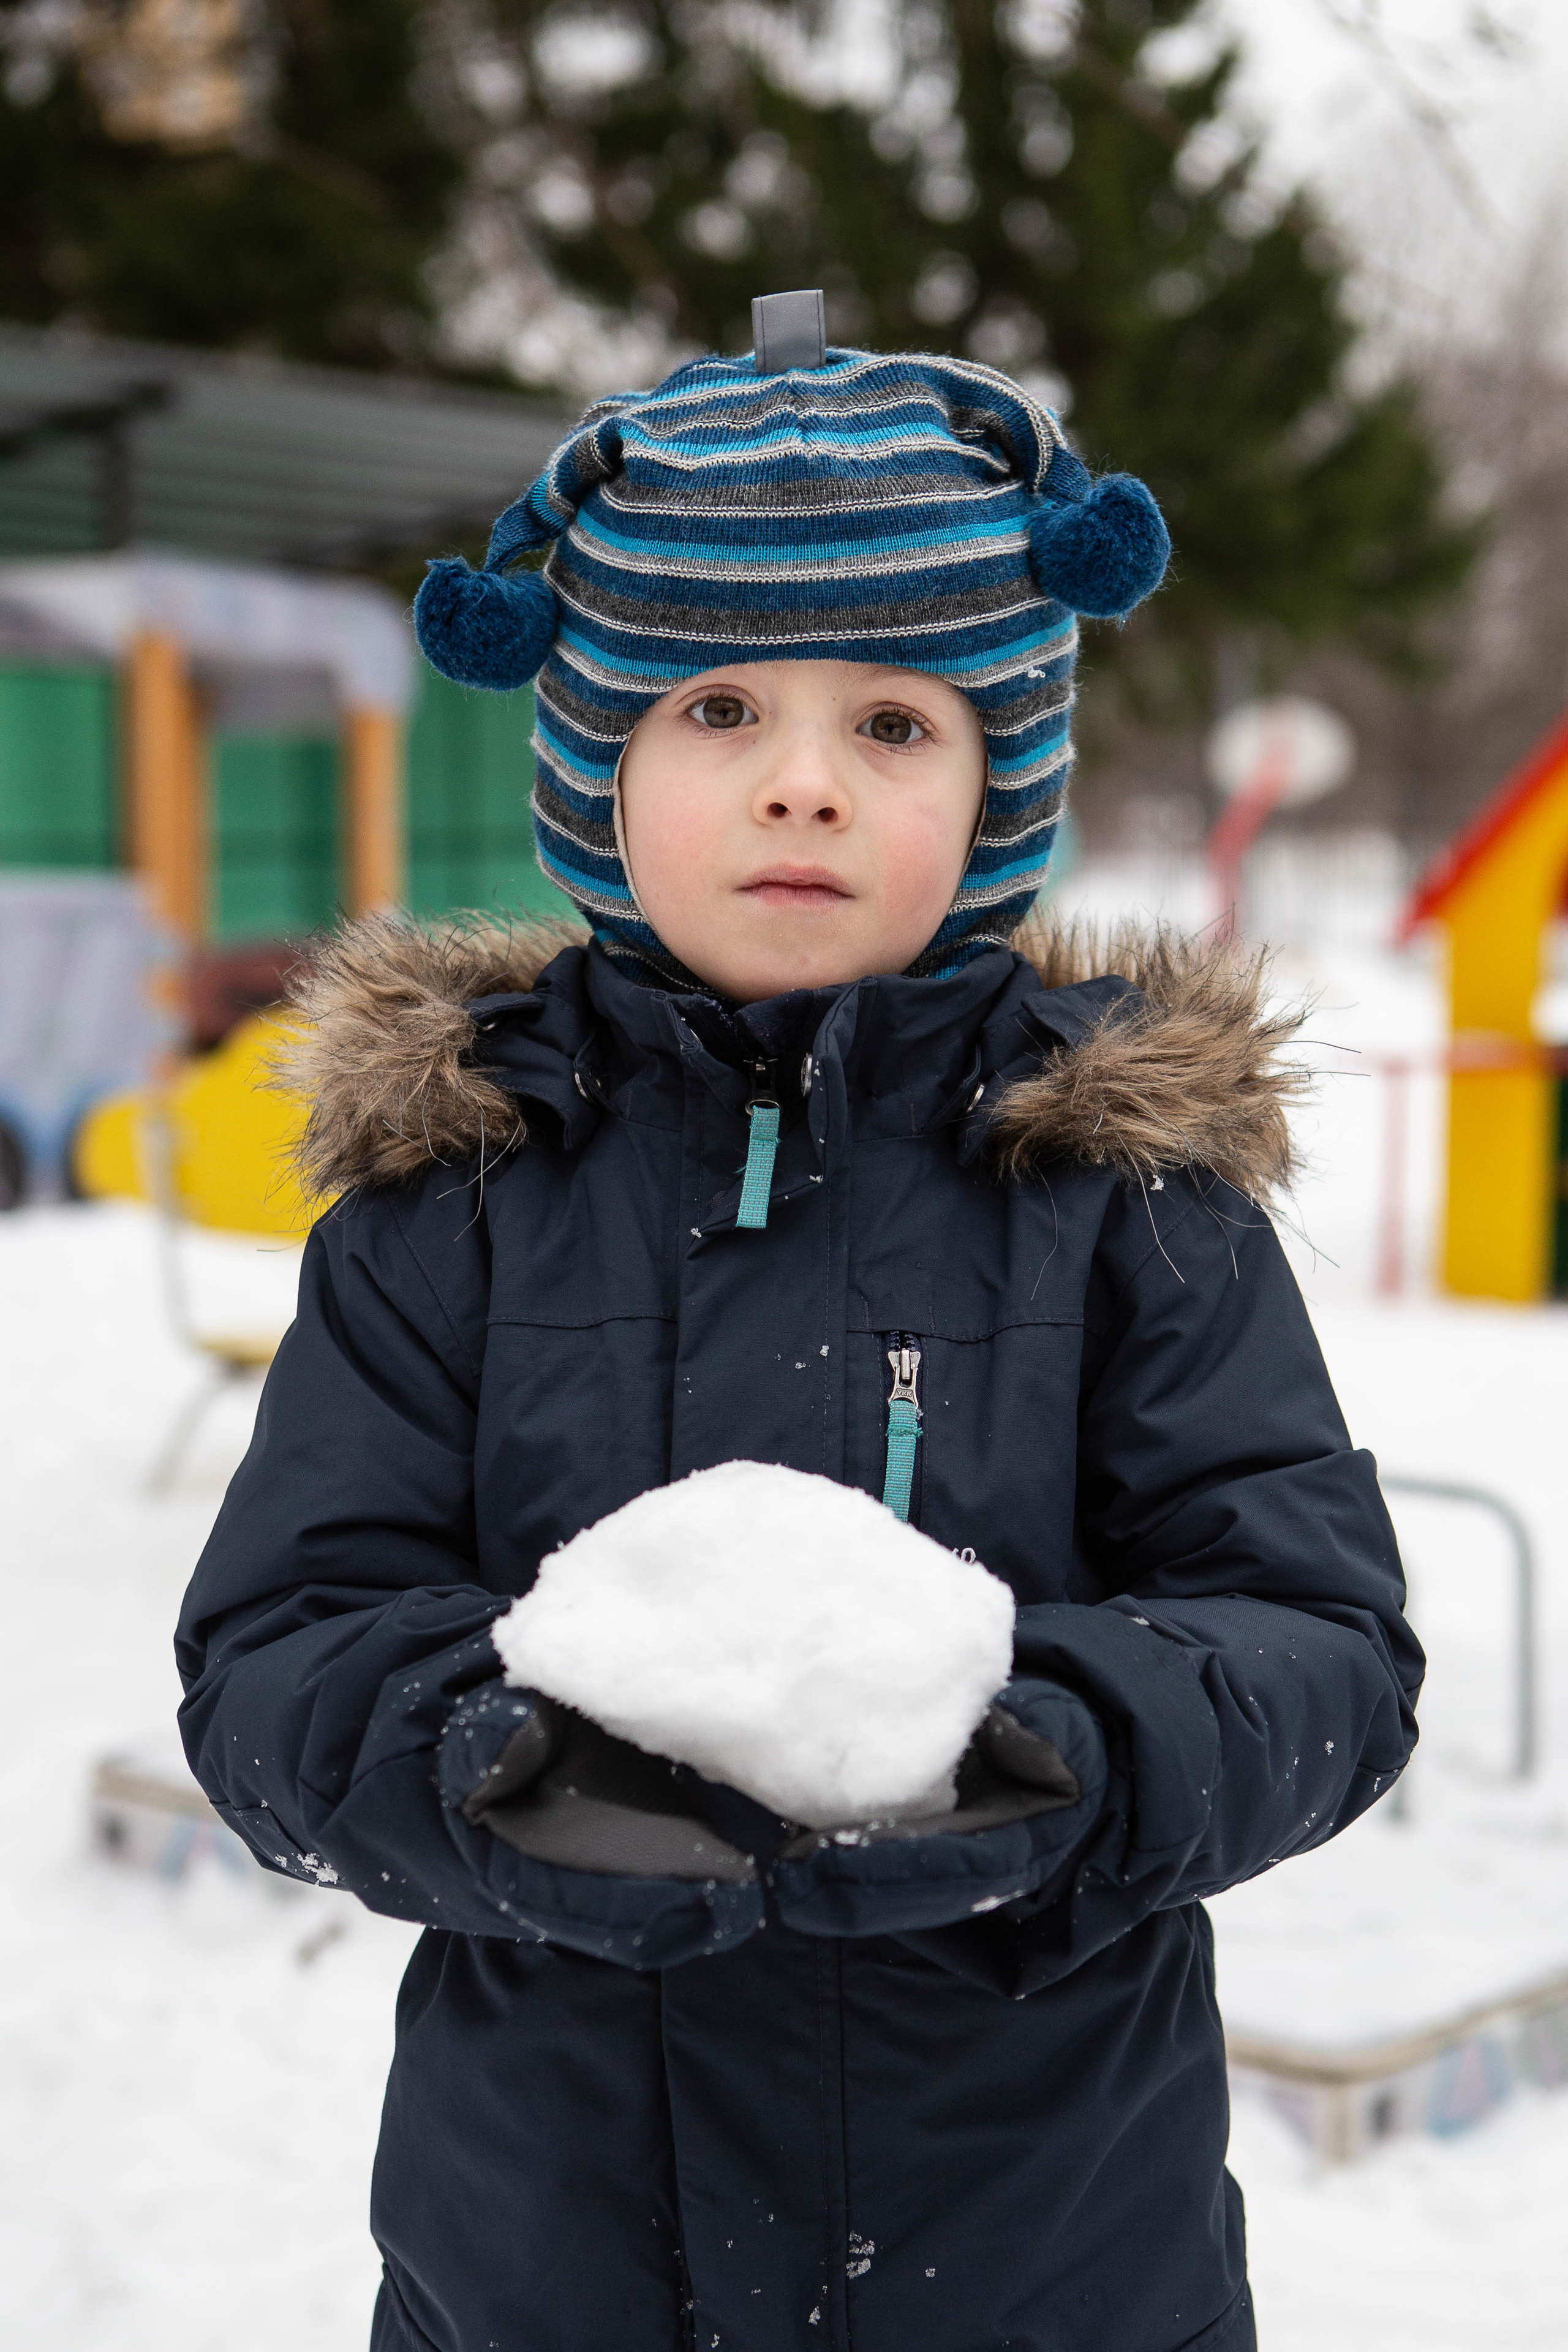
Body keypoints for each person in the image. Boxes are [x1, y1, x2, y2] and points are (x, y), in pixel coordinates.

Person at [175, 310, 1422, 2352]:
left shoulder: (1128, 1193)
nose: (807, 790)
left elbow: (1318, 1639)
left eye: (899, 726)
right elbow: (277, 1652)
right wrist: (475, 1770)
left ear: (1002, 779)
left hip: (1044, 2247)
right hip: (551, 2252)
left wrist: (1072, 1755)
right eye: (721, 710)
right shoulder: (451, 1196)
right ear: (598, 765)